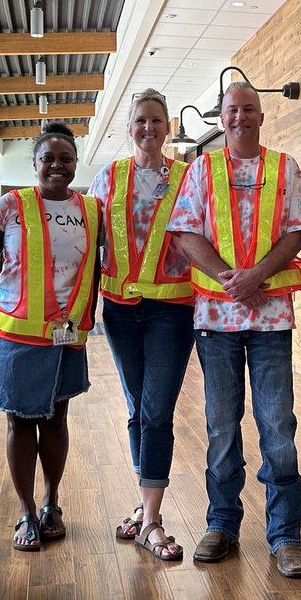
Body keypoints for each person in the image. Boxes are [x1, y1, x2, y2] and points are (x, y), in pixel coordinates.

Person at [167, 81, 301, 579]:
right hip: (216, 319)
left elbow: (298, 231)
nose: (240, 117)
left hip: (270, 318)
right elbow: (185, 233)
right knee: (221, 427)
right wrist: (233, 281)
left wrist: (258, 276)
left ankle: (286, 535)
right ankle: (222, 523)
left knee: (278, 428)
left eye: (248, 109)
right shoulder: (201, 169)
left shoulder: (285, 167)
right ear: (221, 117)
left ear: (261, 116)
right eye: (232, 110)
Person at [0, 121, 101, 553]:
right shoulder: (11, 205)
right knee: (20, 421)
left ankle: (51, 503)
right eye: (48, 158)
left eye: (65, 158)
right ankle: (26, 510)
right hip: (14, 336)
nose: (57, 165)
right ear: (34, 163)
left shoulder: (92, 210)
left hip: (65, 335)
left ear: (76, 163)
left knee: (57, 419)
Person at [89, 88, 193, 561]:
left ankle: (151, 520)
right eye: (140, 121)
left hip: (172, 309)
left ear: (168, 127)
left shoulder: (188, 177)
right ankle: (144, 503)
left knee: (157, 409)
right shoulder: (109, 177)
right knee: (136, 408)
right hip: (120, 310)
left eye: (156, 120)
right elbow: (89, 239)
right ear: (129, 127)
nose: (148, 128)